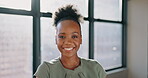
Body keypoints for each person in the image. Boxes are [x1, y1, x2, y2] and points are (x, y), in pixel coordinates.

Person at [34, 5, 107, 78]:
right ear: (56, 39)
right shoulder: (46, 70)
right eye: (62, 37)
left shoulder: (95, 68)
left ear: (80, 39)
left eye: (74, 36)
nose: (68, 42)